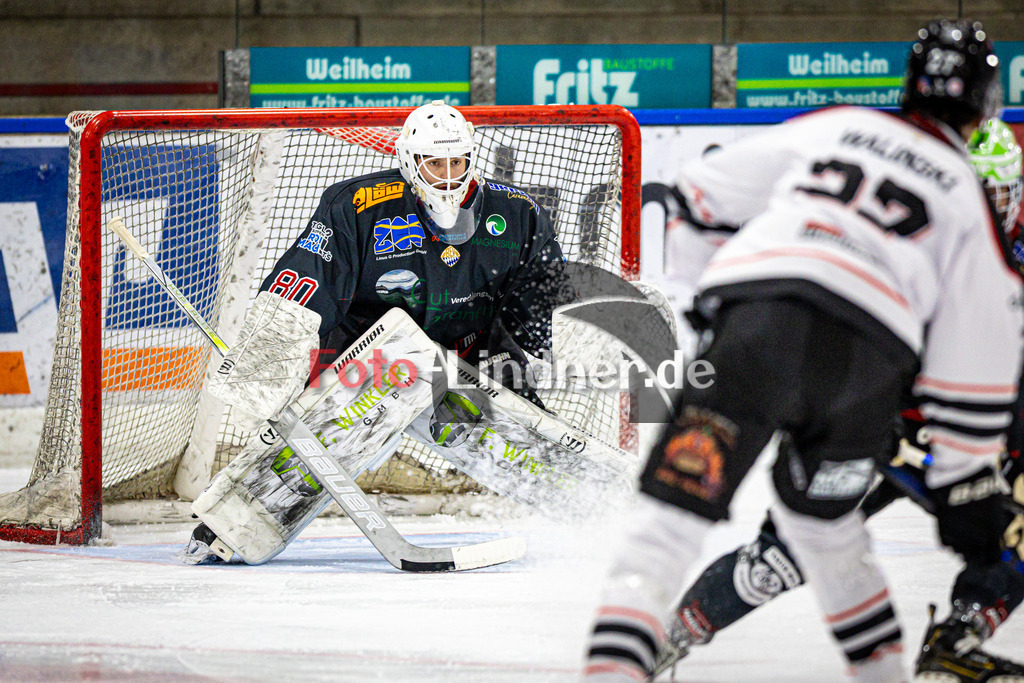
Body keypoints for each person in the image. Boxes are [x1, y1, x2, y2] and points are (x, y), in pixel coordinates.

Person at [582, 19, 1021, 683]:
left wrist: (716, 312)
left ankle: (953, 638)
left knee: (709, 523)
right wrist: (968, 480)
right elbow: (978, 376)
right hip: (875, 399)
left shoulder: (844, 128)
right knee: (792, 552)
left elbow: (698, 195)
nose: (994, 201)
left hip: (812, 359)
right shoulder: (969, 211)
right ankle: (674, 632)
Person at [184, 100, 569, 563]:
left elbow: (543, 294)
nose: (447, 173)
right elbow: (308, 280)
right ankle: (232, 525)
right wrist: (267, 360)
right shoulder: (357, 206)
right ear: (410, 160)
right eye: (434, 162)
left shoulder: (518, 212)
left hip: (471, 354)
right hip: (371, 358)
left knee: (537, 440)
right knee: (324, 437)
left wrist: (542, 348)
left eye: (457, 161)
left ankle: (594, 505)